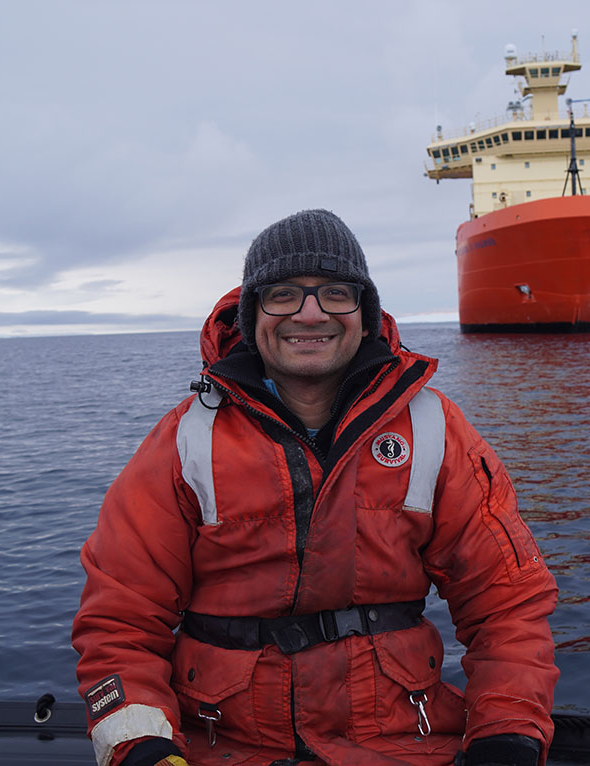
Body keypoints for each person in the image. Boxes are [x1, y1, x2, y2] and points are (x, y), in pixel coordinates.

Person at [72, 209, 559, 766]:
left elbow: (508, 605)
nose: (309, 313)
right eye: (282, 294)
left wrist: (508, 734)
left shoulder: (435, 430)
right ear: (252, 312)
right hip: (222, 751)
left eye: (334, 292)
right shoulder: (186, 442)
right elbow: (119, 621)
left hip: (400, 748)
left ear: (365, 311)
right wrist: (141, 749)